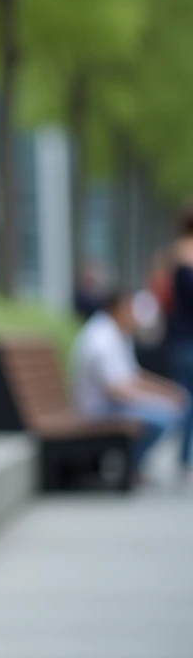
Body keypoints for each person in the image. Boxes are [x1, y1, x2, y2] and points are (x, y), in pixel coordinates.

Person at [70, 288, 193, 483]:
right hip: (98, 411)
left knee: (173, 406)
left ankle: (133, 465)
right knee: (165, 416)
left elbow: (134, 377)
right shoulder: (101, 339)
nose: (135, 317)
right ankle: (131, 465)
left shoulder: (116, 333)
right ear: (117, 309)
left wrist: (168, 390)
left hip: (113, 404)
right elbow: (116, 391)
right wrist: (159, 400)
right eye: (131, 310)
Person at [167, 204, 193, 480]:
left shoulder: (173, 255)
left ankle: (185, 460)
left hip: (179, 337)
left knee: (187, 399)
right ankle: (185, 460)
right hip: (188, 339)